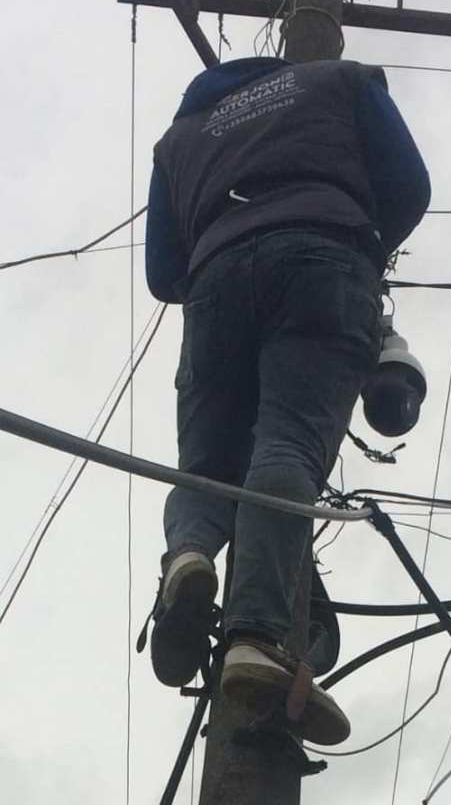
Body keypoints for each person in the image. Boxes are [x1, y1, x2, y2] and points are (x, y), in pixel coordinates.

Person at [144, 56, 430, 746]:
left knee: (205, 464)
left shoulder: (179, 136)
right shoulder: (341, 80)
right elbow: (409, 184)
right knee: (288, 444)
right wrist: (361, 251)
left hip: (213, 278)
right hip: (322, 256)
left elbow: (161, 271)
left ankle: (188, 555)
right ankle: (255, 637)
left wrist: (223, 261)